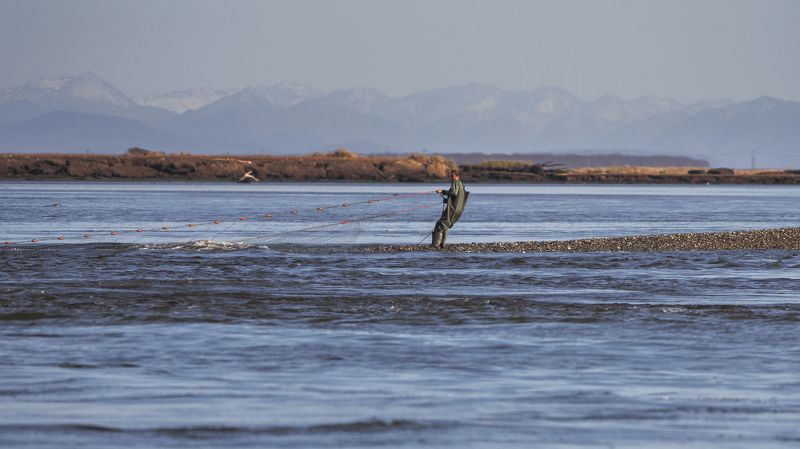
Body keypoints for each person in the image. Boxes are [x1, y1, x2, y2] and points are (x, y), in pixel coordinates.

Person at [432, 170, 469, 249]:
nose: (451, 177)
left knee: (440, 224)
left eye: (452, 176)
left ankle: (436, 245)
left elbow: (454, 193)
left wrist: (442, 191)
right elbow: (456, 197)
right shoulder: (462, 185)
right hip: (458, 210)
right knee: (445, 225)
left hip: (453, 209)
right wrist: (446, 200)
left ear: (457, 177)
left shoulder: (456, 182)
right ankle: (442, 245)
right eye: (451, 176)